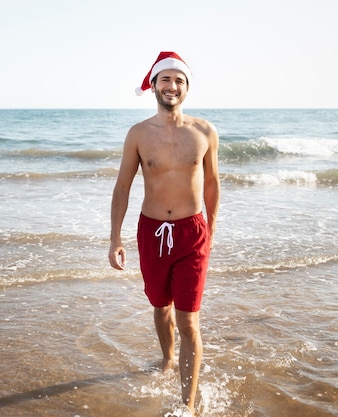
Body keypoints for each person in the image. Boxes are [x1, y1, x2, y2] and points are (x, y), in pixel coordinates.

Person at [108, 51, 220, 414]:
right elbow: (123, 187)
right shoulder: (138, 134)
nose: (172, 86)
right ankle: (167, 359)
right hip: (152, 230)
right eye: (166, 80)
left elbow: (213, 185)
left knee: (189, 319)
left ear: (187, 89)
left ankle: (186, 405)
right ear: (154, 84)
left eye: (179, 81)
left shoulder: (204, 132)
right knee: (161, 306)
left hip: (192, 232)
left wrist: (210, 233)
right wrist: (115, 238)